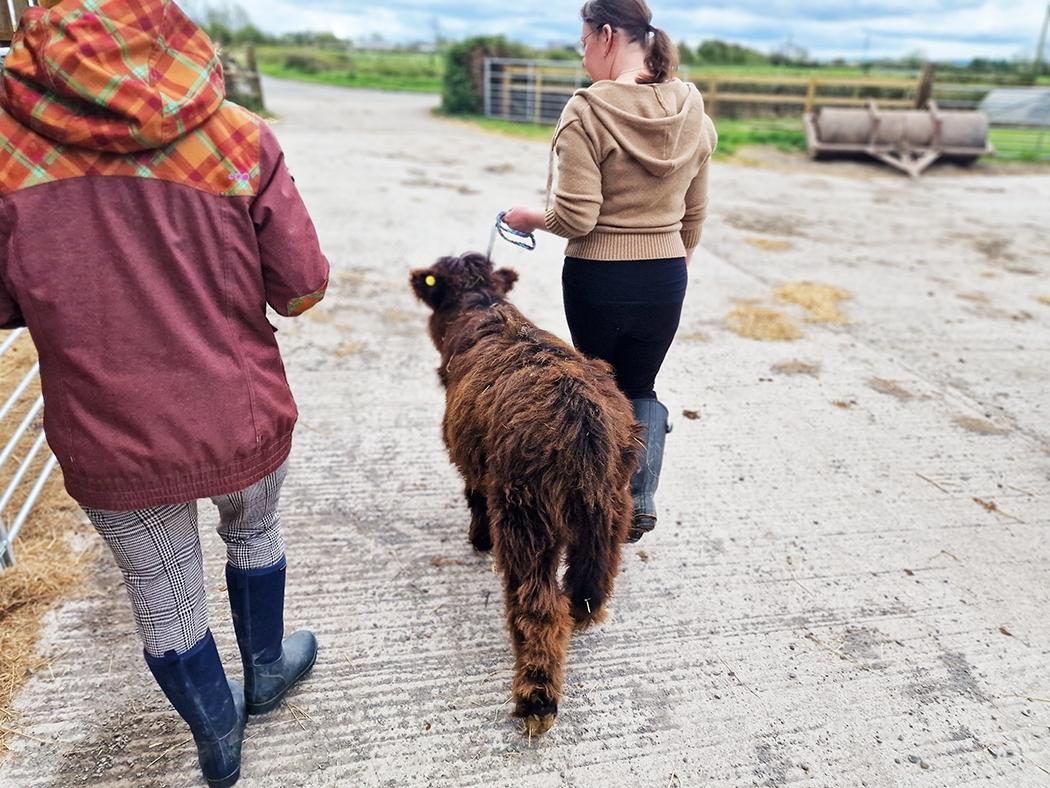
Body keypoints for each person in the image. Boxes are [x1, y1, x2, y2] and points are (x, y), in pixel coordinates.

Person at [0, 1, 330, 785]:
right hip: (238, 413)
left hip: (106, 430)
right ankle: (268, 669)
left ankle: (218, 744)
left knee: (162, 594)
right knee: (254, 532)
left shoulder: (8, 153)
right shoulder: (238, 137)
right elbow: (303, 287)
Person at [503, 0, 717, 543]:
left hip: (599, 278)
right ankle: (638, 497)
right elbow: (694, 213)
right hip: (665, 278)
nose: (582, 59)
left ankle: (596, 509)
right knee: (640, 385)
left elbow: (577, 217)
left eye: (582, 45)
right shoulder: (691, 106)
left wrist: (530, 217)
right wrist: (673, 267)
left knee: (598, 390)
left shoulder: (588, 111)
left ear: (605, 35)